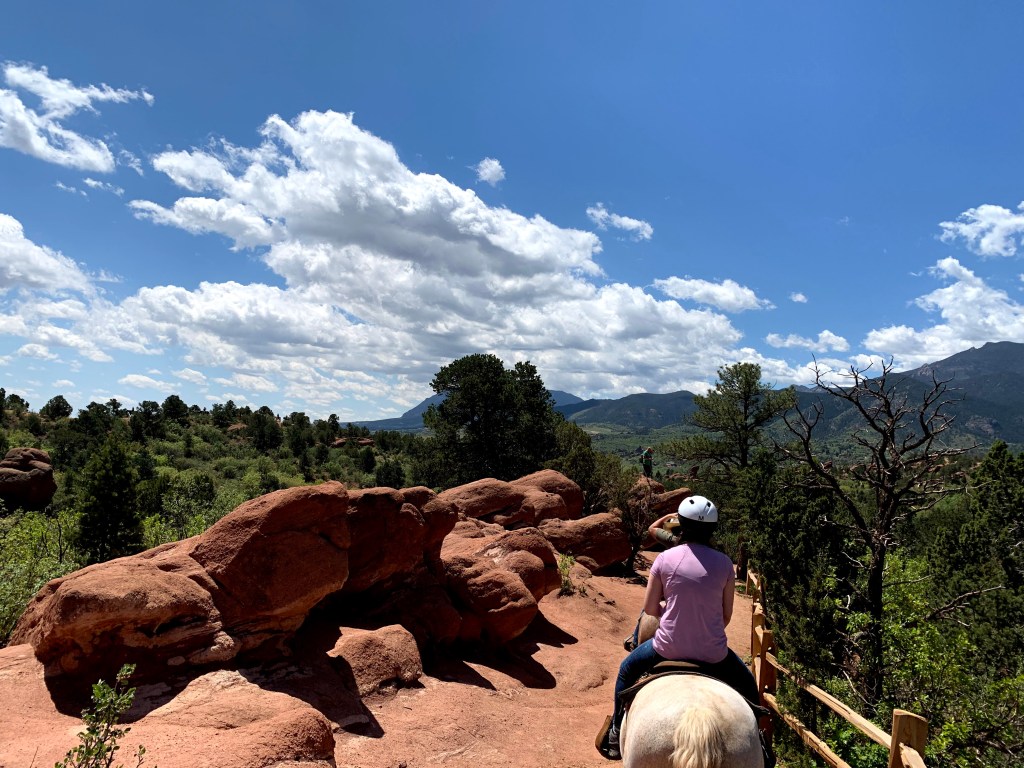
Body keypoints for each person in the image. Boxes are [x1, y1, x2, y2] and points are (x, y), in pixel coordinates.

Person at [602, 495, 759, 760]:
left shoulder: (665, 558)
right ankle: (762, 739)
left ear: (681, 525)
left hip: (667, 648)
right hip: (714, 653)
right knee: (748, 685)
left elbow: (650, 609)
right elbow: (726, 616)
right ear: (712, 529)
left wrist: (671, 613)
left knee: (626, 669)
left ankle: (616, 733)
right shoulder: (724, 563)